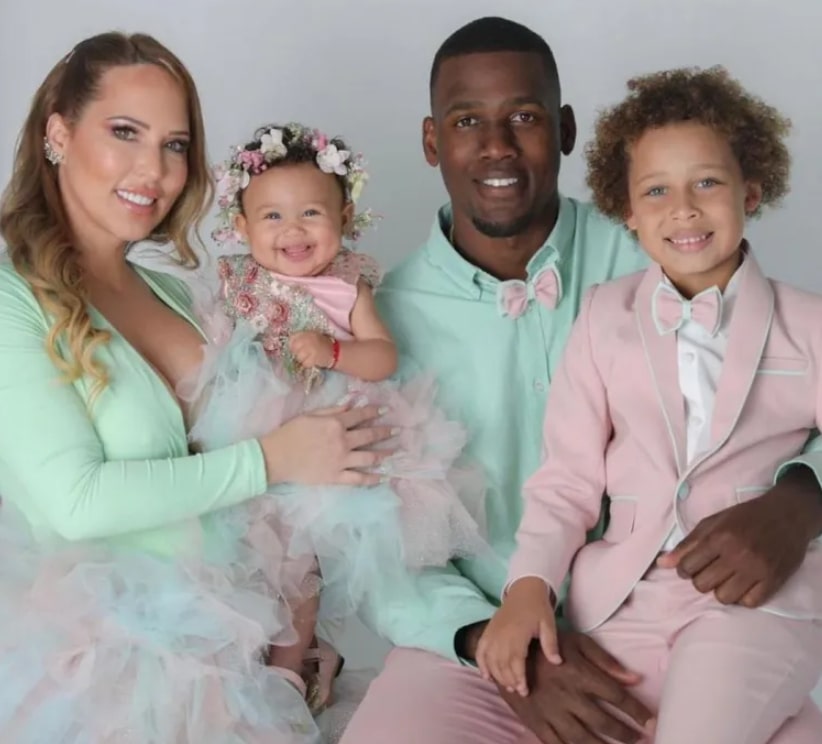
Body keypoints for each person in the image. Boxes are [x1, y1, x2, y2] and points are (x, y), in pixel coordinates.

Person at [340, 17, 822, 744]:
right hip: (480, 639)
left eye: (525, 118)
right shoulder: (378, 326)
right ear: (433, 141)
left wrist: (803, 495)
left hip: (679, 622)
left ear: (564, 129)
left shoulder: (661, 243)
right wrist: (492, 641)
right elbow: (373, 541)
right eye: (468, 121)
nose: (497, 146)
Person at [0, 32, 393, 743]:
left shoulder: (176, 294)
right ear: (59, 132)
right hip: (121, 675)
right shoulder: (11, 300)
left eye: (175, 145)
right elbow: (76, 502)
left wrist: (295, 636)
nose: (153, 170)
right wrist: (273, 458)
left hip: (242, 652)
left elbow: (256, 507)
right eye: (125, 133)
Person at [476, 66, 822, 744]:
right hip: (621, 601)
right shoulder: (605, 317)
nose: (683, 209)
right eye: (657, 191)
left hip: (756, 602)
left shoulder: (807, 323)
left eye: (708, 184)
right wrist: (528, 589)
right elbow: (567, 480)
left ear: (751, 191)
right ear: (628, 212)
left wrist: (802, 493)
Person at [180, 120, 486, 711]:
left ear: (345, 219)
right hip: (249, 431)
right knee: (240, 552)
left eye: (312, 215)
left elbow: (384, 355)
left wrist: (336, 351)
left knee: (301, 561)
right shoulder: (236, 279)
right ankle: (253, 656)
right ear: (240, 227)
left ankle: (290, 672)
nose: (292, 231)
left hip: (329, 435)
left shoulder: (350, 285)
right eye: (271, 217)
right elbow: (207, 347)